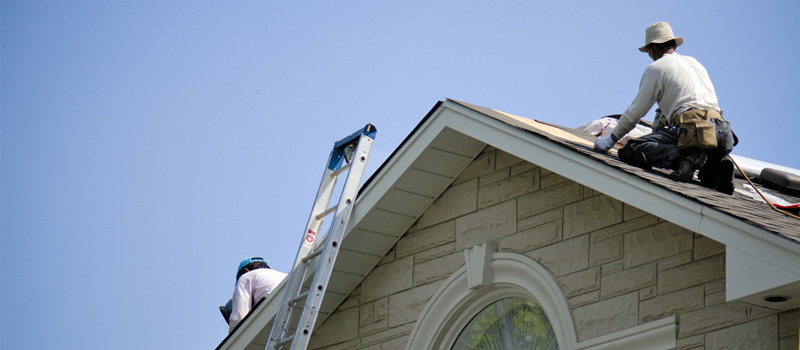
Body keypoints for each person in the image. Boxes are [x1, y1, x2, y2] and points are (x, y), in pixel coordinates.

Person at [594, 22, 736, 194]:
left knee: (632, 149)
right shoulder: (695, 63)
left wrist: (610, 140)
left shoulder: (656, 68)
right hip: (722, 133)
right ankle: (716, 165)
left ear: (653, 48)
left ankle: (684, 158)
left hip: (693, 131)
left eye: (648, 52)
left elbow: (636, 112)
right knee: (706, 176)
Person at [227, 257, 287, 333]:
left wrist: (232, 337)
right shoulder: (281, 274)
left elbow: (239, 316)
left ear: (246, 270)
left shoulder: (246, 277)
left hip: (274, 309)